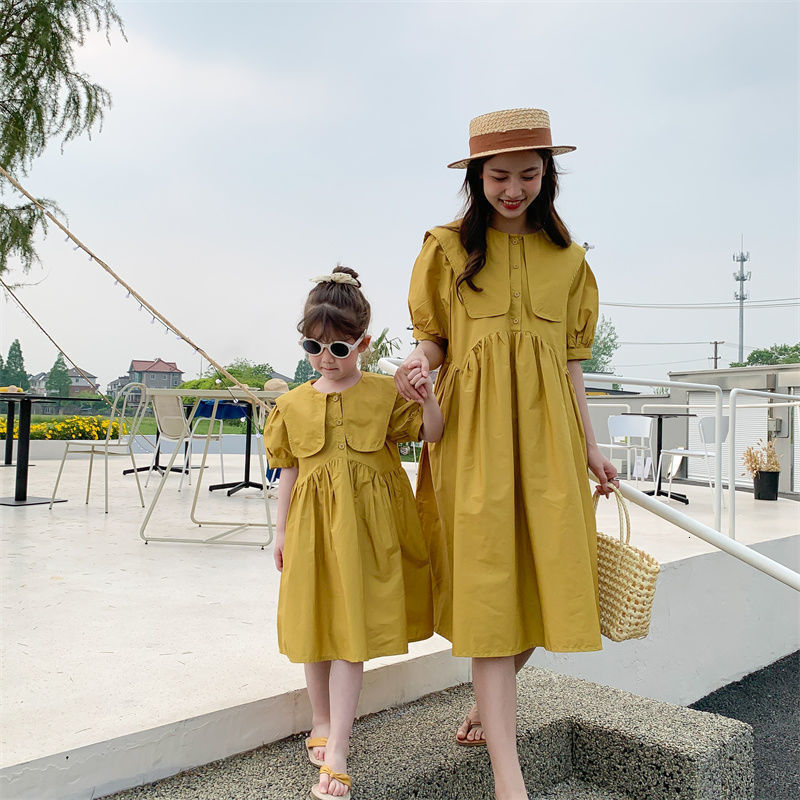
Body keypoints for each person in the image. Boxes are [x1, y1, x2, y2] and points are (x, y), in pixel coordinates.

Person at [394, 108, 619, 800]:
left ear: (548, 174)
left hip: (551, 442)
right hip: (474, 441)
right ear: (476, 178)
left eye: (528, 174)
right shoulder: (445, 249)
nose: (513, 189)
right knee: (491, 593)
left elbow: (572, 363)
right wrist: (418, 360)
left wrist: (592, 448)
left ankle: (486, 710)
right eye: (499, 176)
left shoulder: (569, 259)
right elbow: (436, 340)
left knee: (551, 584)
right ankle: (507, 778)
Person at [264, 265, 444, 800]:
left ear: (363, 343)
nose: (326, 358)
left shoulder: (386, 393)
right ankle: (320, 718)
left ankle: (339, 746)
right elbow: (289, 470)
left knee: (350, 633)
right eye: (313, 347)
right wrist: (280, 533)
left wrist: (427, 396)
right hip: (312, 531)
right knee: (314, 621)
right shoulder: (291, 404)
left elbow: (432, 433)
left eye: (339, 348)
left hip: (367, 534)